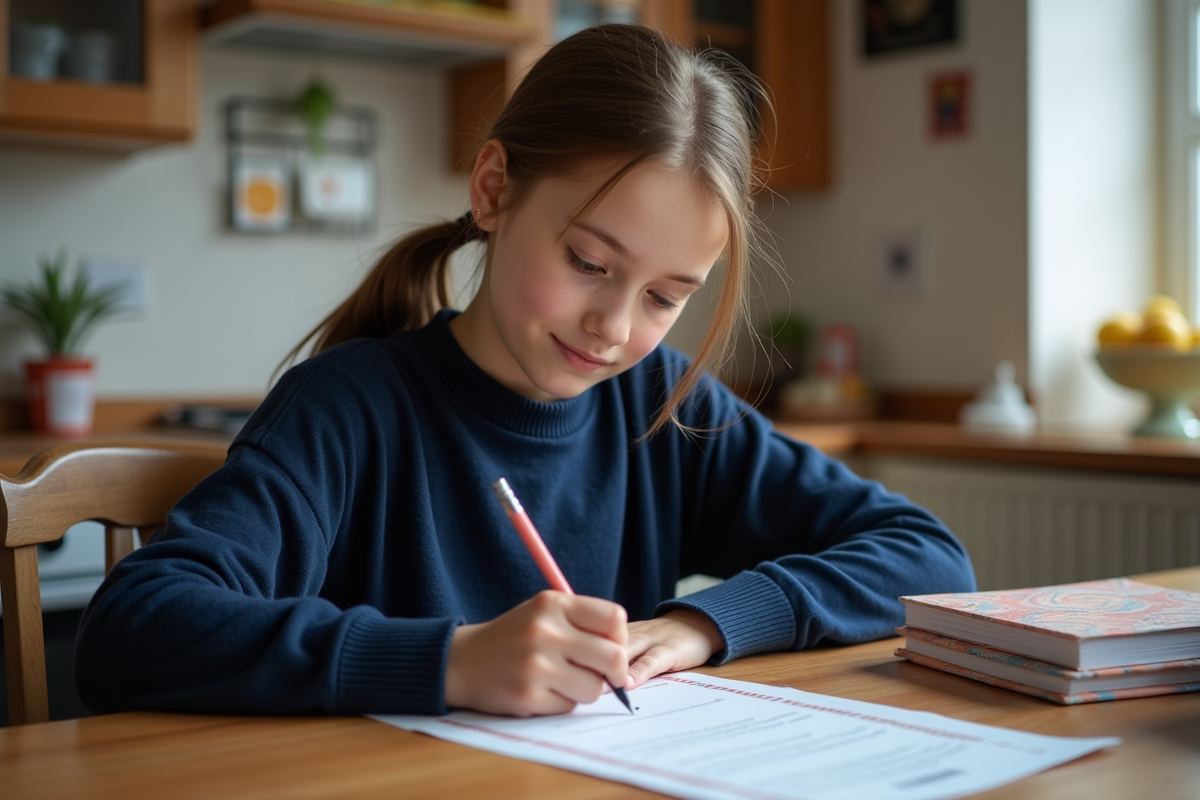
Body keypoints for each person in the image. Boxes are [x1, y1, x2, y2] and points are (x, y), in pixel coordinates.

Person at [76, 24, 974, 719]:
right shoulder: (347, 407)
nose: (614, 327)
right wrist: (451, 660)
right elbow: (130, 629)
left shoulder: (660, 405)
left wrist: (707, 623)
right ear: (494, 190)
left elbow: (929, 557)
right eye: (588, 262)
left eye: (666, 297)